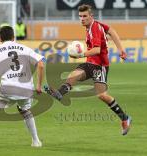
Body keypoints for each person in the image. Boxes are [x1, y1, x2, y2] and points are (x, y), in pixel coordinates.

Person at [44, 4, 132, 136]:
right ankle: (60, 93)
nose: (82, 19)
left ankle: (124, 118)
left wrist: (79, 55)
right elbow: (112, 30)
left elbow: (97, 50)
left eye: (85, 16)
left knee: (101, 95)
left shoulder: (95, 28)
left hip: (100, 65)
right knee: (74, 75)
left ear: (91, 16)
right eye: (80, 16)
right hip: (90, 63)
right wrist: (121, 49)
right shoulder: (94, 25)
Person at [0, 26, 44, 147]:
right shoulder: (25, 48)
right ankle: (36, 141)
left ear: (0, 38)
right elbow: (40, 65)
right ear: (14, 37)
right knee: (25, 110)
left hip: (8, 87)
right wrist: (39, 85)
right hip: (27, 89)